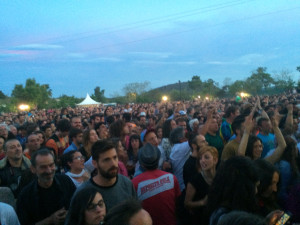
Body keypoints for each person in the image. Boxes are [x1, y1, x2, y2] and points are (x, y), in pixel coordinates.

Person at [17, 149, 76, 225]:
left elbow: (77, 205)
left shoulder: (65, 181)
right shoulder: (25, 195)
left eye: (51, 165)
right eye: (43, 167)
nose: (49, 171)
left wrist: (68, 213)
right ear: (33, 169)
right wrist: (50, 220)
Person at [75, 140, 136, 212]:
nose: (113, 164)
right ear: (95, 163)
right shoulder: (82, 192)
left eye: (115, 157)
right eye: (106, 160)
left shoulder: (127, 184)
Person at [132, 143, 181, 225]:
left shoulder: (134, 184)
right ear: (158, 160)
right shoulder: (172, 178)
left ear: (141, 163)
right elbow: (178, 205)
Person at [185, 146, 218, 225]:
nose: (202, 161)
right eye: (200, 158)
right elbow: (186, 203)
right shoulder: (194, 181)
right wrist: (202, 202)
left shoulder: (220, 177)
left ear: (215, 160)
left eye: (206, 157)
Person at [170, 126, 191, 191]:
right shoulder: (180, 148)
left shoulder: (176, 147)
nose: (187, 136)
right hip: (183, 186)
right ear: (181, 139)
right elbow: (199, 137)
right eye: (185, 134)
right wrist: (209, 119)